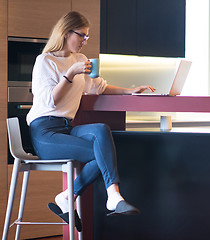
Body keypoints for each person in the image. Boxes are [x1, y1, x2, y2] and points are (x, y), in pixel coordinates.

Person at [27, 11, 154, 224]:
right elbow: (51, 102)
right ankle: (105, 196)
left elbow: (98, 87)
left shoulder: (80, 60)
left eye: (88, 37)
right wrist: (70, 74)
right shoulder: (45, 61)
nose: (85, 41)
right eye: (82, 35)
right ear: (66, 33)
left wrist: (129, 90)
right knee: (100, 154)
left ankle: (83, 196)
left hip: (66, 127)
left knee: (100, 130)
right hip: (44, 132)